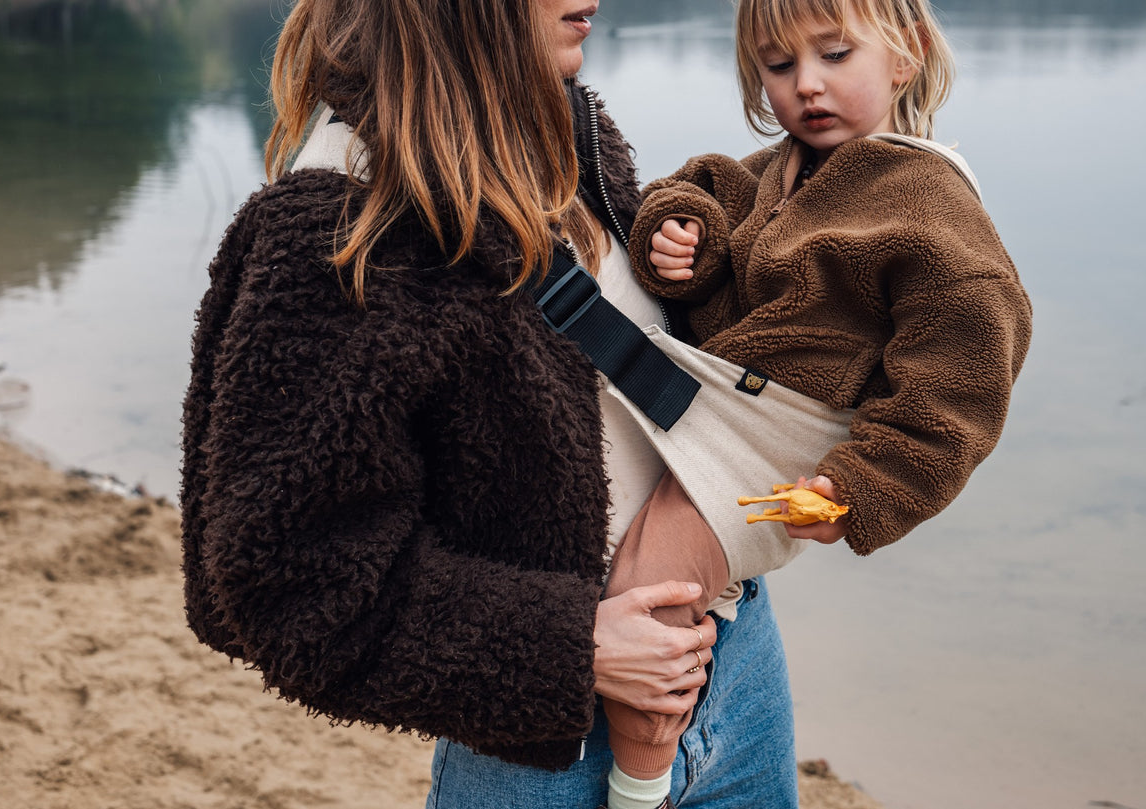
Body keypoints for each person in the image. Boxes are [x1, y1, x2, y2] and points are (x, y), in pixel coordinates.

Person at [179, 1, 800, 808]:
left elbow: (631, 393)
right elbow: (289, 582)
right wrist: (572, 645)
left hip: (739, 670)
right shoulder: (337, 221)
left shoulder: (571, 132)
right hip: (553, 753)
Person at [599, 0, 1033, 803]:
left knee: (653, 580)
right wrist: (679, 240)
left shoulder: (926, 202)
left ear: (903, 56)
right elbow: (700, 204)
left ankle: (638, 780)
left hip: (791, 432)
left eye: (834, 55)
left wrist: (863, 488)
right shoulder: (775, 170)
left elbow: (962, 383)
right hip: (721, 399)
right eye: (778, 65)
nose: (806, 85)